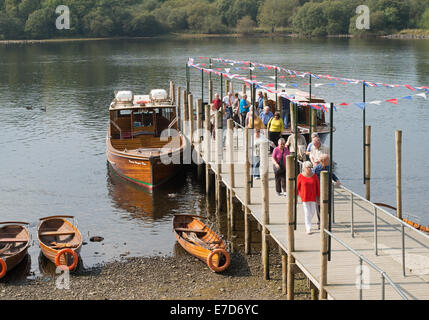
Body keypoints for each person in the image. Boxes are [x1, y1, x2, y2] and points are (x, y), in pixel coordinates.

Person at [297, 161, 320, 235]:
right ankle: (308, 228)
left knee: (312, 212)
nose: (310, 169)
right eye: (308, 167)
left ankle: (308, 222)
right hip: (305, 197)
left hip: (313, 197)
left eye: (311, 167)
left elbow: (318, 187)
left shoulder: (315, 176)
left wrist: (318, 197)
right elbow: (297, 187)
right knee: (307, 212)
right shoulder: (300, 176)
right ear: (304, 168)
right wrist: (295, 197)